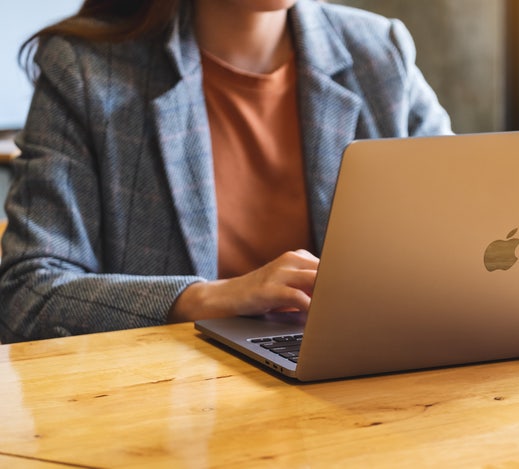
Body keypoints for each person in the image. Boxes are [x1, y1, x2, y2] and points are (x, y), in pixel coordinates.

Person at [0, 0, 451, 343]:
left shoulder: (379, 52)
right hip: (167, 413)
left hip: (360, 387)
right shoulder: (85, 69)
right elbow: (29, 292)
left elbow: (463, 237)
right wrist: (210, 298)